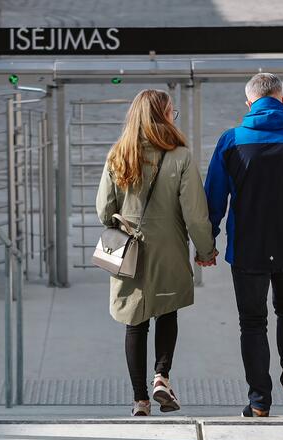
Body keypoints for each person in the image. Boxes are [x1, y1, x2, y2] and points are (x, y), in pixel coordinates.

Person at [202, 73, 283, 417]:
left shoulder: (231, 141)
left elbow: (213, 199)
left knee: (252, 322)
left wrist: (207, 243)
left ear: (248, 103)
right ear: (282, 100)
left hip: (248, 250)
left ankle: (260, 400)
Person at [97, 89, 216, 416]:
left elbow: (103, 211)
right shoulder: (181, 156)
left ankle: (140, 400)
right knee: (168, 311)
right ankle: (162, 377)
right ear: (162, 117)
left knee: (134, 322)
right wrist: (205, 250)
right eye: (171, 113)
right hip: (170, 249)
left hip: (129, 251)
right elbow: (195, 213)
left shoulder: (118, 156)